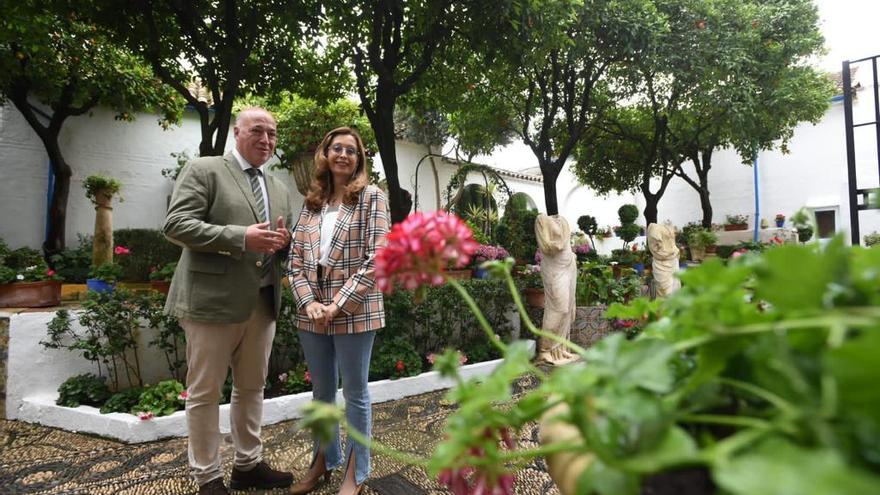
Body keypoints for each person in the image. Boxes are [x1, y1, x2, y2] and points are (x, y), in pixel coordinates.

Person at [163, 107, 295, 495]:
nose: (266, 140)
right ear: (237, 132)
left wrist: (283, 246)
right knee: (205, 391)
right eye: (257, 131)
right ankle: (207, 476)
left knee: (252, 387)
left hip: (263, 300)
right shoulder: (204, 169)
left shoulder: (280, 188)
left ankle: (247, 465)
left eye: (272, 134)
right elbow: (176, 225)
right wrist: (240, 237)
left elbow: (277, 244)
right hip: (212, 301)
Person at [287, 127, 389, 495]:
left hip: (355, 311)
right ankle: (323, 461)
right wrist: (310, 303)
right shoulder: (311, 202)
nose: (343, 154)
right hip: (311, 315)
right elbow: (295, 262)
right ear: (325, 154)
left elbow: (377, 257)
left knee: (356, 395)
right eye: (337, 148)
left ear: (359, 158)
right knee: (322, 394)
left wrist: (337, 305)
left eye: (351, 150)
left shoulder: (371, 197)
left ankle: (355, 473)